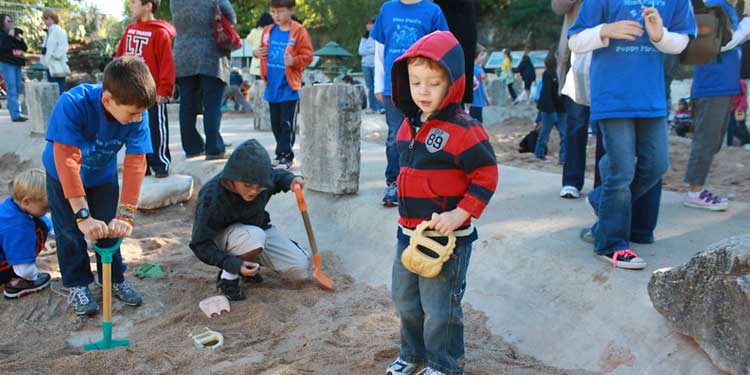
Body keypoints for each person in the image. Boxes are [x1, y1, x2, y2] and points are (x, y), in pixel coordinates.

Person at [386, 30, 498, 375]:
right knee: (406, 301)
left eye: (433, 83)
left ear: (453, 83)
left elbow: (486, 175)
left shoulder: (465, 129)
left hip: (447, 238)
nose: (422, 91)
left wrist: (461, 213)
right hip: (408, 234)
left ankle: (443, 363)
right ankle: (413, 353)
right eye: (415, 82)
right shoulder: (407, 126)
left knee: (440, 308)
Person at [569, 0, 696, 269]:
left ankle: (602, 201)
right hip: (611, 97)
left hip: (651, 98)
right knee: (622, 169)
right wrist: (605, 30)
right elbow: (575, 40)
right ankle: (611, 243)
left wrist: (660, 35)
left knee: (656, 165)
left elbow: (682, 41)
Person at [42, 57, 154, 315]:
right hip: (62, 176)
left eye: (141, 113)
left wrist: (126, 213)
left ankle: (113, 278)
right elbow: (67, 160)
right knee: (69, 232)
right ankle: (78, 284)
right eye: (132, 113)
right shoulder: (73, 103)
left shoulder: (138, 115)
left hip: (102, 176)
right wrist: (82, 215)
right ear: (107, 100)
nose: (137, 119)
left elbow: (136, 162)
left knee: (109, 230)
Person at [189, 139, 311, 301]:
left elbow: (276, 176)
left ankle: (255, 262)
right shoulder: (212, 196)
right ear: (232, 178)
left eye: (259, 186)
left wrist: (290, 180)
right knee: (254, 237)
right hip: (226, 238)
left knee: (302, 269)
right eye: (247, 185)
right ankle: (228, 278)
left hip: (257, 229)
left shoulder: (262, 181)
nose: (254, 191)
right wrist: (232, 264)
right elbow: (199, 244)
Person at [371, 0, 449, 207]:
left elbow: (444, 48)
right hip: (393, 86)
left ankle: (424, 182)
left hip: (424, 86)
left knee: (426, 134)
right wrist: (379, 85)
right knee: (395, 136)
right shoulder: (387, 9)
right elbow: (380, 50)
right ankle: (395, 182)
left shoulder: (433, 11)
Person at [683, 0, 740, 211]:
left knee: (714, 141)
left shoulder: (726, 6)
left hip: (725, 84)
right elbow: (719, 42)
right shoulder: (713, 6)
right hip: (712, 84)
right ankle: (695, 192)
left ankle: (697, 189)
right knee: (706, 140)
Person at [116, 0, 176, 179]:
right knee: (135, 131)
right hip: (131, 93)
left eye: (134, 2)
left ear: (148, 5)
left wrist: (164, 90)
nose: (130, 5)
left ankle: (160, 163)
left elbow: (167, 63)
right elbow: (119, 58)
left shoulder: (160, 33)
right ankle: (143, 166)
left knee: (155, 129)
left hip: (153, 93)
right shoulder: (129, 30)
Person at [172, 0, 236, 160]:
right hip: (211, 53)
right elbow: (231, 18)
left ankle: (192, 147)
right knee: (212, 104)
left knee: (186, 104)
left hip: (183, 54)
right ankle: (214, 148)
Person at [254, 0, 313, 170]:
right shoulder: (268, 30)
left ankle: (286, 156)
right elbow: (260, 51)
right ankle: (281, 154)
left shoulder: (298, 31)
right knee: (276, 123)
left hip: (289, 86)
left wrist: (294, 60)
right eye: (273, 12)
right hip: (272, 85)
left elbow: (308, 56)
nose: (276, 16)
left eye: (280, 11)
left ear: (291, 10)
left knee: (287, 124)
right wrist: (256, 53)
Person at [0, 169, 52, 299]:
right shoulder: (20, 227)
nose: (47, 211)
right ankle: (20, 284)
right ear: (26, 201)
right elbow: (23, 268)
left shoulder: (10, 205)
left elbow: (40, 216)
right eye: (45, 208)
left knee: (41, 222)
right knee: (40, 228)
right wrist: (31, 275)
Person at [534, 53, 566, 163]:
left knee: (564, 134)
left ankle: (563, 158)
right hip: (549, 109)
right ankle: (539, 154)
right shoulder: (548, 74)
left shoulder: (564, 72)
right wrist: (551, 111)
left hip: (562, 109)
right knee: (544, 133)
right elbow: (546, 94)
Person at [0, 14, 27, 122]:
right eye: (8, 21)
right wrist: (8, 36)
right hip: (7, 63)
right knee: (11, 88)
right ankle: (15, 114)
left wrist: (19, 39)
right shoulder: (2, 36)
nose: (11, 24)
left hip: (17, 63)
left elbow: (24, 48)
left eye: (11, 21)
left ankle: (17, 111)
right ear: (2, 23)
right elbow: (2, 48)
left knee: (17, 88)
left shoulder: (14, 35)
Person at [40, 9, 69, 94]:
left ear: (51, 18)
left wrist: (54, 56)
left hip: (57, 66)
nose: (45, 21)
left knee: (60, 90)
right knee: (52, 92)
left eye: (46, 19)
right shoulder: (48, 33)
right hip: (49, 67)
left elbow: (63, 47)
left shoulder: (59, 31)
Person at [359, 18, 383, 113]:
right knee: (370, 87)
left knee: (378, 86)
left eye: (371, 24)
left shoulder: (379, 35)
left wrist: (368, 50)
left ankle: (381, 107)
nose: (369, 26)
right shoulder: (364, 37)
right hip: (365, 65)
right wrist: (370, 49)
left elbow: (377, 49)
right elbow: (361, 51)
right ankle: (373, 107)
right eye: (367, 24)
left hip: (375, 64)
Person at [246, 13, 274, 80]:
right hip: (267, 65)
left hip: (256, 64)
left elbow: (248, 40)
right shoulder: (270, 32)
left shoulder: (254, 31)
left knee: (258, 86)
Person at [469, 44, 490, 123]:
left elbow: (483, 84)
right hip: (474, 101)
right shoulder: (471, 68)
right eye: (481, 55)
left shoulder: (479, 68)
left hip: (479, 99)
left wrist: (486, 96)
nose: (483, 57)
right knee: (475, 121)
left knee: (478, 121)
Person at [727, 80, 750, 149]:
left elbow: (744, 96)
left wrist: (740, 107)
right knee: (730, 126)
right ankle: (729, 144)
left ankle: (746, 143)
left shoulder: (741, 82)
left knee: (741, 125)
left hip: (740, 108)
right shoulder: (728, 82)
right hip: (732, 108)